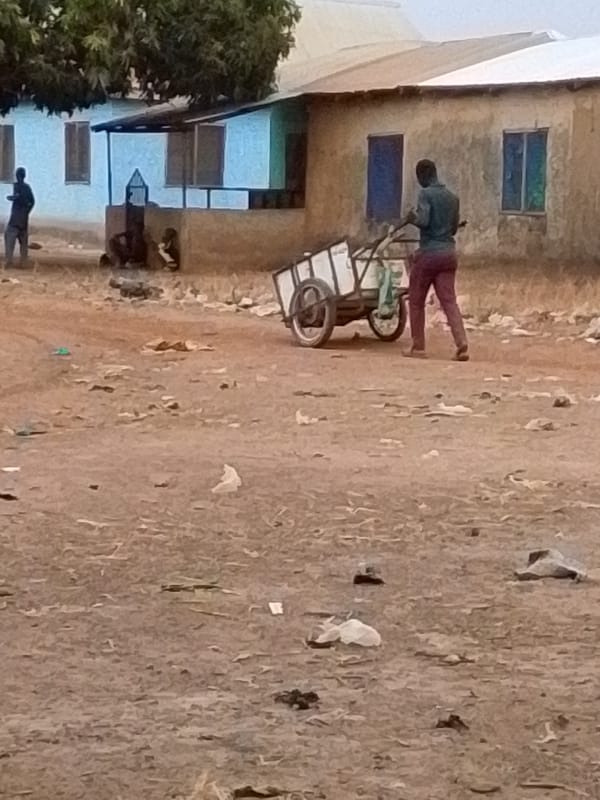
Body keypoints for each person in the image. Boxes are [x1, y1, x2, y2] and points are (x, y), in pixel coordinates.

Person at [405, 159, 468, 362]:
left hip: (429, 254)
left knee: (416, 300)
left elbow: (424, 221)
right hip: (449, 254)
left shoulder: (425, 194)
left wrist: (411, 218)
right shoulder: (452, 198)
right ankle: (461, 344)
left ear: (423, 175)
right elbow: (453, 229)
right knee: (449, 301)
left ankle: (418, 346)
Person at [4, 167, 35, 268]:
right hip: (24, 220)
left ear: (17, 176)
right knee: (23, 243)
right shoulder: (27, 187)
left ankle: (9, 261)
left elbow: (17, 196)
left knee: (9, 239)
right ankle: (23, 262)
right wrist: (27, 211)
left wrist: (11, 198)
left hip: (14, 220)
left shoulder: (17, 186)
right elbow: (32, 201)